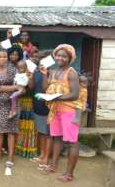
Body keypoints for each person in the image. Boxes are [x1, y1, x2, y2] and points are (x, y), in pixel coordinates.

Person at [40, 44, 80, 182]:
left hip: (69, 112)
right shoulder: (55, 71)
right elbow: (46, 88)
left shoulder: (72, 72)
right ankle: (54, 165)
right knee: (57, 138)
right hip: (55, 110)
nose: (60, 58)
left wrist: (56, 97)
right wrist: (45, 75)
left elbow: (75, 95)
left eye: (64, 56)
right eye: (58, 55)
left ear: (70, 58)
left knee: (72, 142)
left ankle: (69, 174)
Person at [0, 48, 22, 167]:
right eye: (0, 56)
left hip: (13, 104)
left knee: (11, 131)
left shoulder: (13, 69)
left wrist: (18, 87)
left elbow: (21, 85)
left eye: (4, 56)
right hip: (0, 103)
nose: (2, 58)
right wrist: (14, 87)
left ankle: (11, 157)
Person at [27, 50, 52, 170]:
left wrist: (44, 74)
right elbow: (31, 87)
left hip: (48, 107)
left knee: (47, 134)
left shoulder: (51, 73)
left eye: (41, 58)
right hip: (37, 105)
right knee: (41, 133)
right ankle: (42, 155)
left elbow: (45, 88)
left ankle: (46, 158)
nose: (37, 59)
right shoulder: (36, 71)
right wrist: (31, 77)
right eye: (35, 57)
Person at [15, 46, 40, 158]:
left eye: (37, 56)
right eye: (33, 55)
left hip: (32, 102)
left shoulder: (39, 70)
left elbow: (31, 86)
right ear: (29, 56)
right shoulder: (22, 68)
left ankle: (29, 150)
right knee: (20, 126)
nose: (35, 57)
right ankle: (19, 149)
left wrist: (30, 76)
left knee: (30, 126)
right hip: (21, 101)